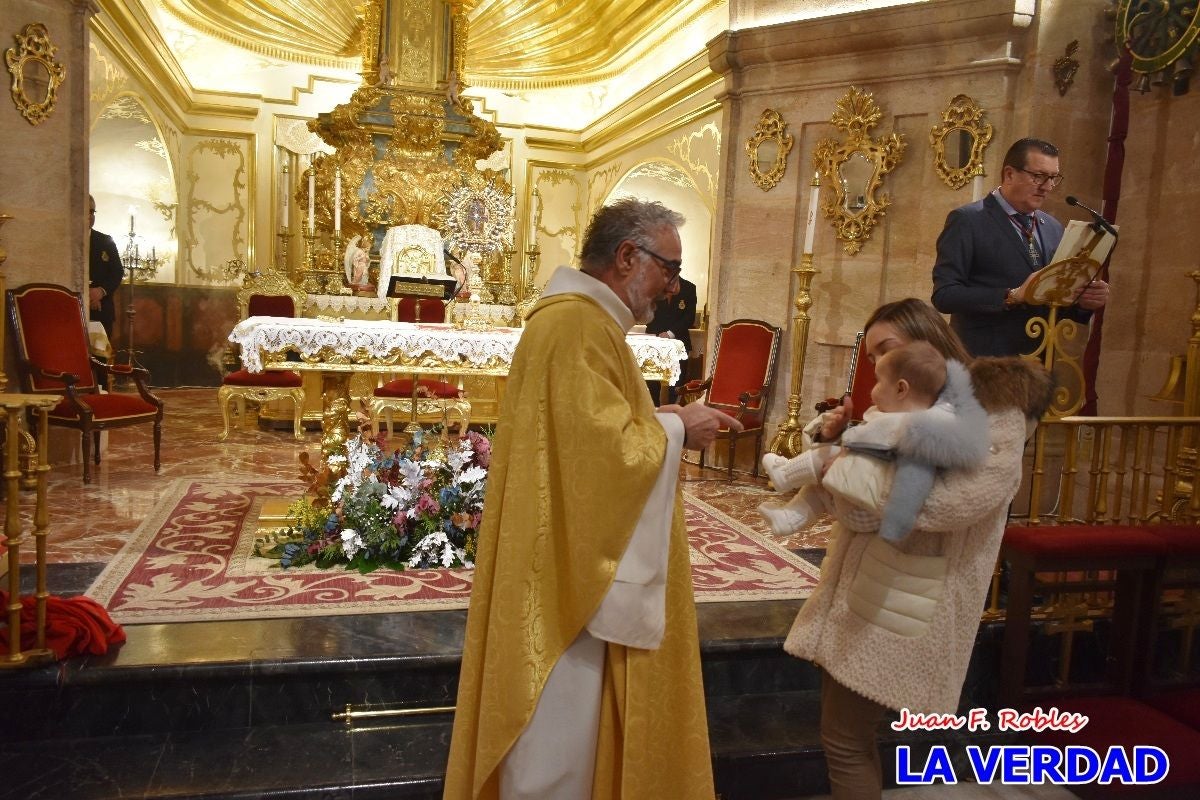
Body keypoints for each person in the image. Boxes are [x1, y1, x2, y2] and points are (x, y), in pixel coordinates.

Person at [444, 198, 741, 799]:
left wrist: (669, 416)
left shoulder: (580, 322)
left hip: (562, 550)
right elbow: (602, 456)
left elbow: (590, 430)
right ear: (627, 256)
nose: (674, 287)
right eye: (669, 268)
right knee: (558, 734)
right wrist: (682, 428)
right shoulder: (577, 325)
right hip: (565, 579)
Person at [782, 298, 1052, 800]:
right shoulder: (908, 408)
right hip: (868, 588)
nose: (880, 366)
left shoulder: (991, 417)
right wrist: (839, 448)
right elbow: (857, 497)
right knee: (847, 737)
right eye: (871, 358)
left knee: (844, 740)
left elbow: (948, 505)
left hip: (903, 598)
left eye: (888, 348)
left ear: (928, 342)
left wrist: (840, 473)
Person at [757, 341, 988, 543]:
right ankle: (788, 519)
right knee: (819, 487)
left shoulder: (907, 424)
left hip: (865, 507)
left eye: (878, 382)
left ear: (901, 389)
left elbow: (860, 443)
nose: (872, 390)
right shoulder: (940, 417)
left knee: (828, 455)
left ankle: (785, 475)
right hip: (867, 508)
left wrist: (843, 447)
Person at [931, 137, 1110, 357]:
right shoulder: (968, 220)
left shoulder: (1052, 227)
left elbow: (1052, 299)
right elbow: (944, 295)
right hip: (984, 361)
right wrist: (1012, 295)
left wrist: (1082, 300)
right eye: (1038, 176)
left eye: (1053, 178)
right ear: (1009, 174)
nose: (1047, 187)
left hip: (1039, 361)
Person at [645, 275, 697, 403]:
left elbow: (689, 318)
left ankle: (674, 416)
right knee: (652, 383)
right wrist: (658, 336)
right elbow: (648, 314)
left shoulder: (689, 288)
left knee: (677, 385)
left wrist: (670, 333)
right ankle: (654, 415)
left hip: (679, 343)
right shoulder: (653, 286)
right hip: (654, 344)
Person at [88, 195, 124, 338]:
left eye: (92, 212)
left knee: (100, 357)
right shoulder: (66, 238)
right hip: (71, 311)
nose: (90, 216)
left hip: (102, 311)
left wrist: (100, 292)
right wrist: (87, 294)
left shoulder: (105, 241)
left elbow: (117, 272)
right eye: (86, 211)